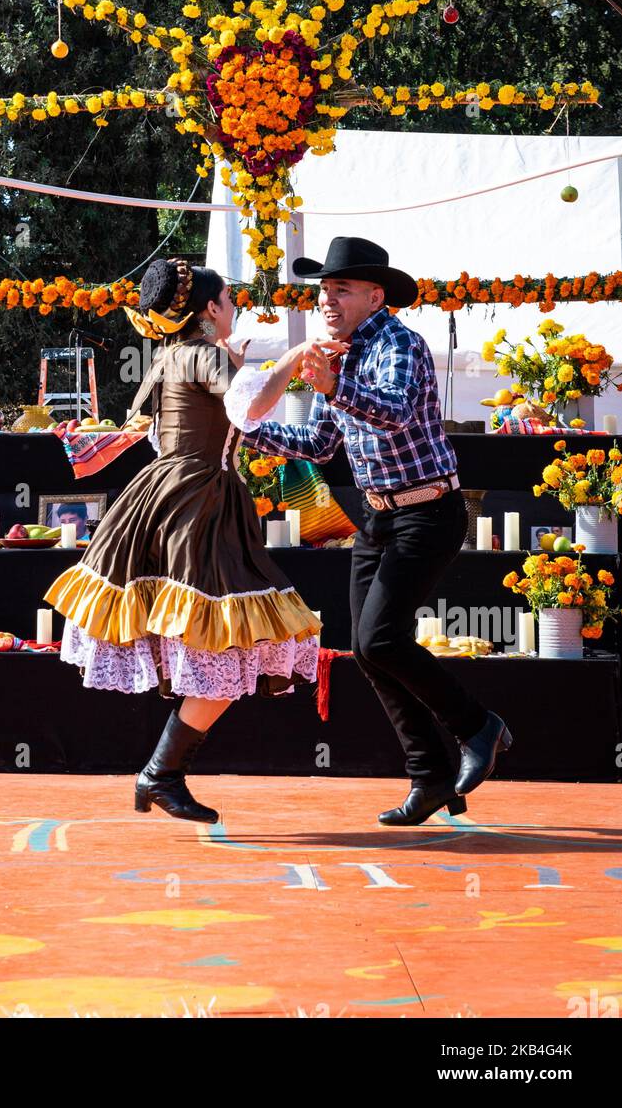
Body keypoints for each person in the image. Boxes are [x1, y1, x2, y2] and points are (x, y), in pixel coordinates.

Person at [225, 237, 512, 827]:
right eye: (325, 290)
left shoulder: (400, 342)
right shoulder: (341, 353)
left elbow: (396, 410)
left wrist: (332, 386)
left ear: (375, 295)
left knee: (380, 641)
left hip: (428, 512)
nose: (327, 300)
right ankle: (430, 776)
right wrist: (248, 434)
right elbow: (322, 445)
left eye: (341, 289)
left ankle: (480, 727)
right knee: (367, 648)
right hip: (381, 516)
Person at [43, 256, 339, 824]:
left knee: (222, 646)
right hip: (198, 503)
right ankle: (160, 773)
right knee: (224, 644)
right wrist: (295, 359)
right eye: (229, 300)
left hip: (178, 494)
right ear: (208, 309)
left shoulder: (173, 356)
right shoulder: (202, 354)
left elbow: (161, 434)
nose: (234, 308)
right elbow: (249, 408)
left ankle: (161, 772)